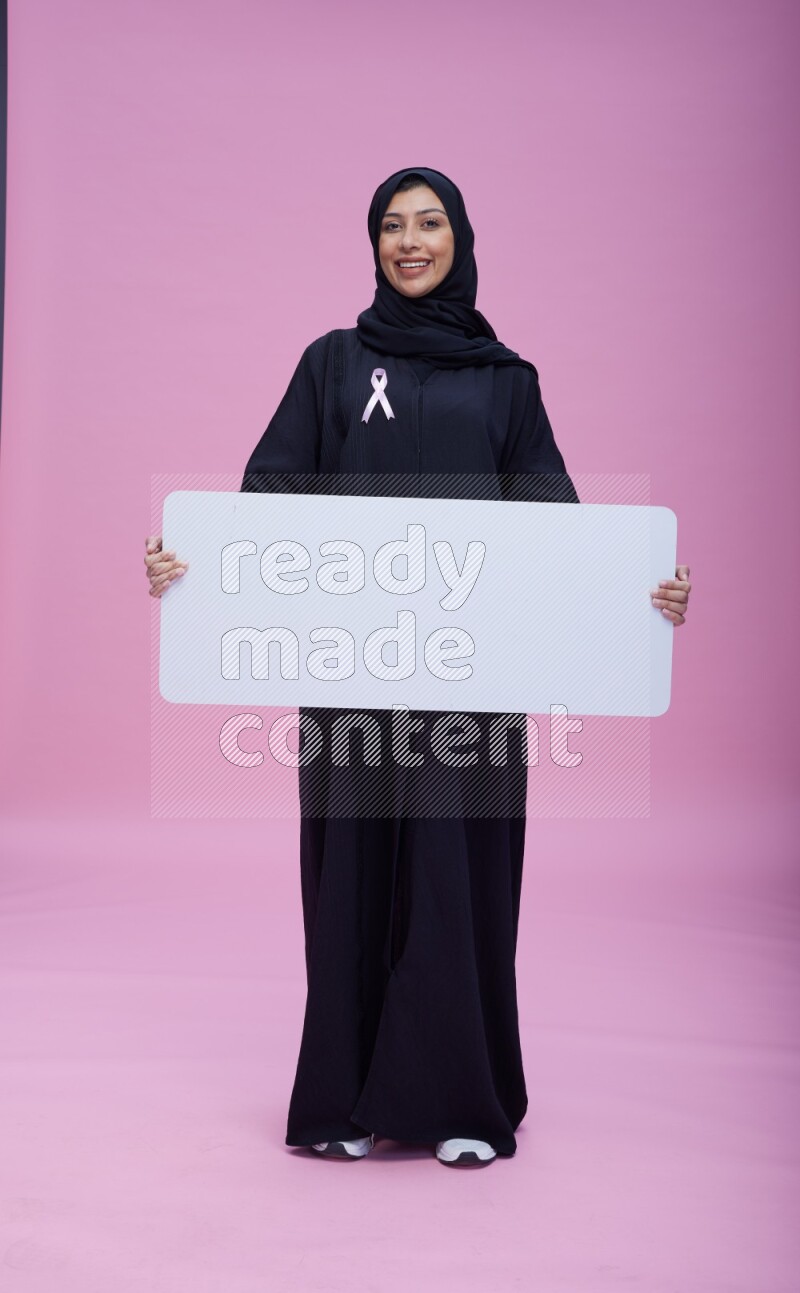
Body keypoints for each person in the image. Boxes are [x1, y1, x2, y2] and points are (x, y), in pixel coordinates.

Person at [145, 166, 691, 1168]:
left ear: (459, 238)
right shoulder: (332, 365)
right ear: (372, 244)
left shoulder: (506, 383)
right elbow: (263, 502)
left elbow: (555, 534)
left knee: (454, 880)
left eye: (426, 223)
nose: (408, 241)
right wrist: (192, 568)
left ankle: (459, 1105)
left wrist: (638, 594)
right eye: (390, 226)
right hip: (351, 683)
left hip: (472, 691)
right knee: (348, 880)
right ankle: (344, 1105)